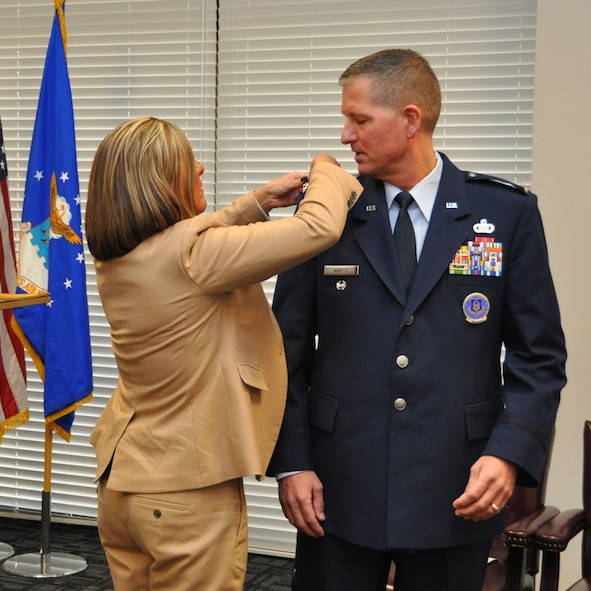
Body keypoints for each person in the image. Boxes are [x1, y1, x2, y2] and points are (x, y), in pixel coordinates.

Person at [268, 48, 567, 591]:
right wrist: (293, 462)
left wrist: (507, 453)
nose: (344, 136)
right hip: (338, 487)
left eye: (359, 120)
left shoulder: (504, 214)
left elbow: (538, 356)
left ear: (410, 120)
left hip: (455, 488)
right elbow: (282, 352)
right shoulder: (326, 216)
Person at [86, 116, 362, 590]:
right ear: (159, 182)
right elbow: (318, 226)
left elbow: (190, 241)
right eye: (185, 162)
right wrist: (326, 166)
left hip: (125, 488)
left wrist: (255, 204)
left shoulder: (120, 255)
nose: (199, 168)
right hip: (184, 497)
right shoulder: (197, 257)